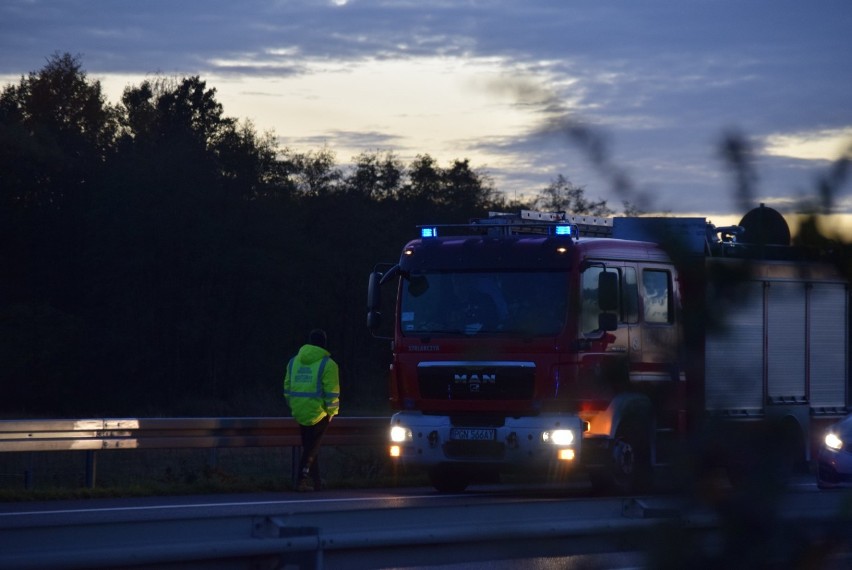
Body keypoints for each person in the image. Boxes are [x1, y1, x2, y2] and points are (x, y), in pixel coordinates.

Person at [283, 329, 340, 492]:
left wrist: (293, 404)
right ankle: (300, 480)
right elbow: (332, 392)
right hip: (318, 412)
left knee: (310, 445)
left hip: (299, 409)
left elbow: (287, 387)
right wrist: (332, 412)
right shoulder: (329, 364)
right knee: (311, 447)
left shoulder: (293, 362)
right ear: (324, 344)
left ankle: (317, 482)